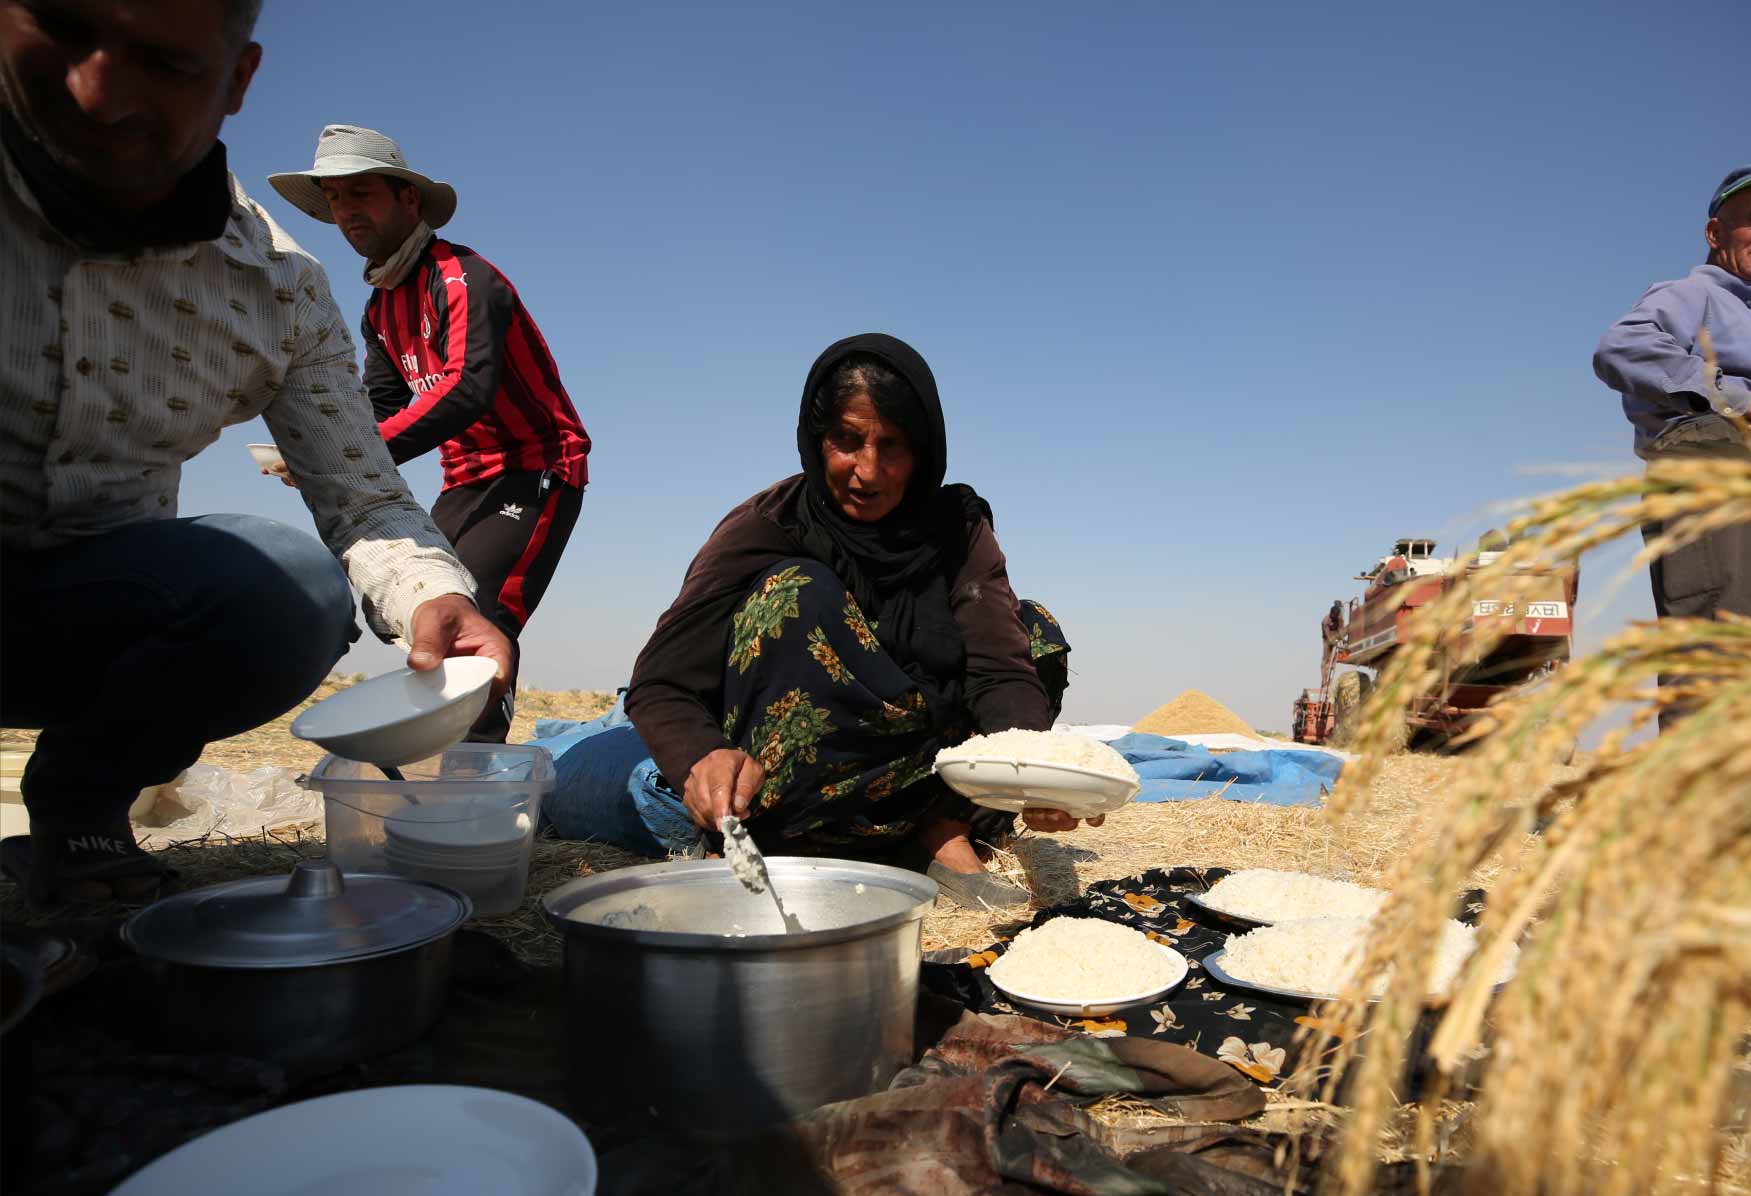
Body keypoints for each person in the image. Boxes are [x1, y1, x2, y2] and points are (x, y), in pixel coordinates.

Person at [0, 0, 512, 903]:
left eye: (165, 62)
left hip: (79, 608)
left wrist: (431, 590)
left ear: (235, 82)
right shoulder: (378, 301)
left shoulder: (287, 287)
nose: (99, 90)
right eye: (63, 28)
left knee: (289, 591)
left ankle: (81, 811)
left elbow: (368, 480)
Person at [625, 334, 1087, 905]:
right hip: (805, 784)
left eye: (892, 446)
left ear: (923, 452)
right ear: (817, 440)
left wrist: (1039, 772)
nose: (868, 472)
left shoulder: (957, 530)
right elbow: (661, 681)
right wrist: (701, 756)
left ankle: (941, 830)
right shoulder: (768, 525)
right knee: (797, 591)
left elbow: (999, 666)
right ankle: (776, 843)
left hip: (920, 770)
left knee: (1035, 631)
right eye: (847, 441)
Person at [267, 126, 590, 743]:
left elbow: (467, 388)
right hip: (464, 477)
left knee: (479, 613)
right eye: (334, 199)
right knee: (429, 601)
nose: (346, 211)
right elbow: (377, 404)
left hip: (534, 467)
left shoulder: (463, 277)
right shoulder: (379, 307)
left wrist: (348, 455)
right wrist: (317, 447)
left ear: (408, 198)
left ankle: (478, 769)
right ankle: (443, 757)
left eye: (361, 193)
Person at [1594, 161, 1751, 642]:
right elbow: (1620, 348)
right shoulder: (1693, 294)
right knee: (1718, 657)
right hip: (1715, 478)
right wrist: (1735, 398)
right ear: (1714, 233)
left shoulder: (1745, 308)